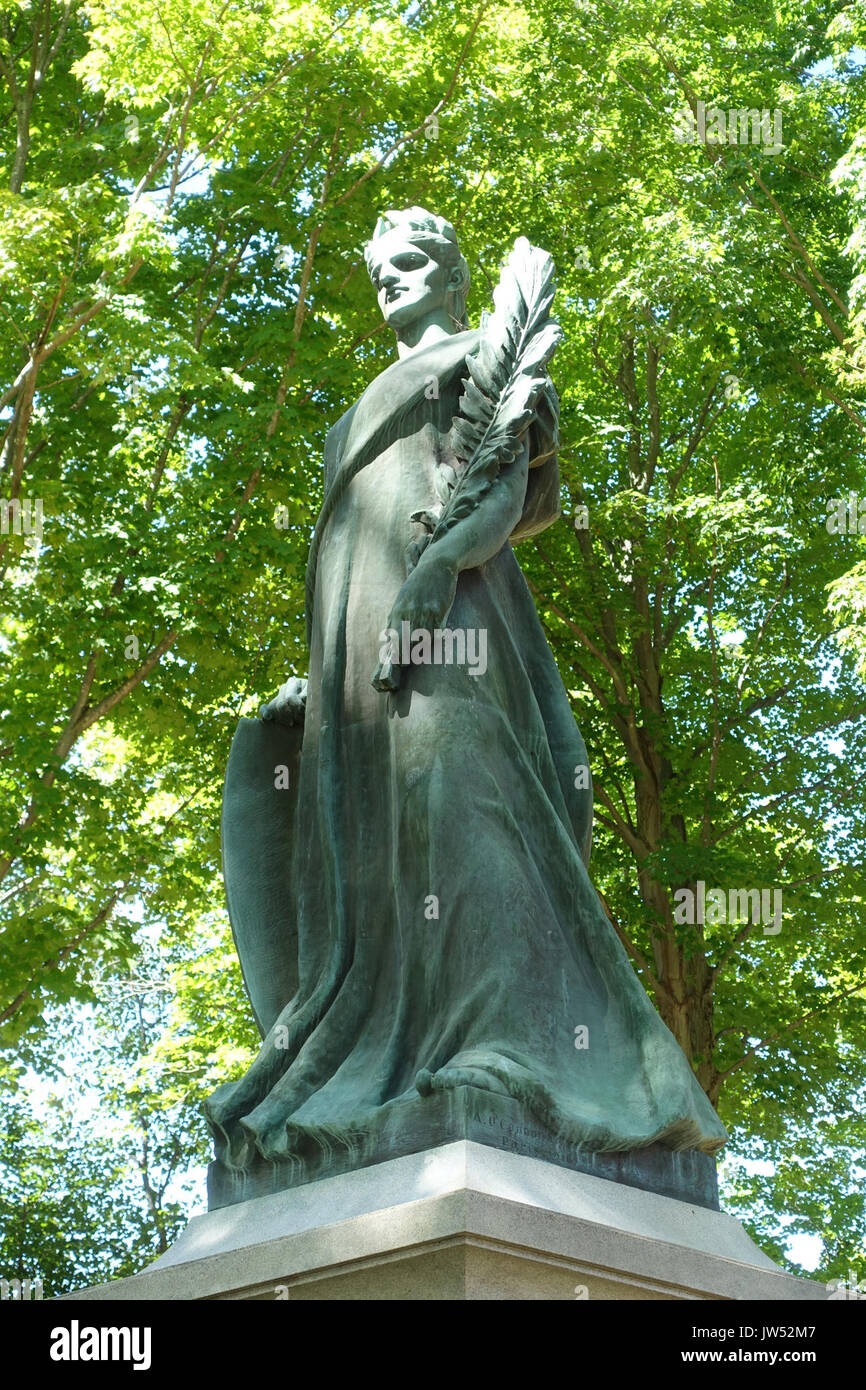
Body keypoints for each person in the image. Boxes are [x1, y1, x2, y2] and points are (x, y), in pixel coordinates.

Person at [205, 208, 727, 1179]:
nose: (388, 280)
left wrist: (439, 569)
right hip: (354, 655)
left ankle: (506, 1048)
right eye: (376, 270)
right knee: (371, 855)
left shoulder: (476, 352)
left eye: (407, 263)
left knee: (459, 800)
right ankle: (390, 1065)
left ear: (450, 272)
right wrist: (316, 682)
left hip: (447, 621)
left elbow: (495, 487)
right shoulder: (364, 398)